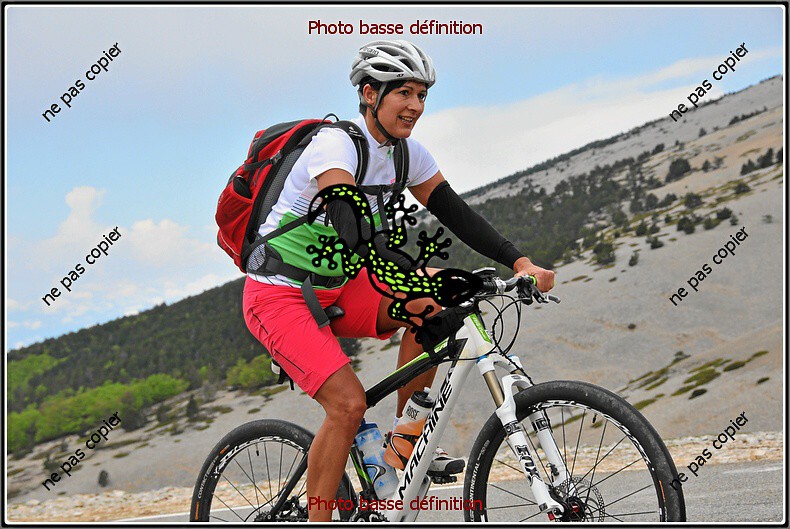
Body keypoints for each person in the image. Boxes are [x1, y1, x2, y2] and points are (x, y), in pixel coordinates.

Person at [242, 39, 555, 522]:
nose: (415, 105)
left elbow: (457, 214)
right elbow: (351, 227)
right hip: (279, 295)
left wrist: (519, 263)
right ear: (370, 94)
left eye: (422, 95)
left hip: (341, 285)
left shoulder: (408, 155)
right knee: (347, 406)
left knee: (436, 305)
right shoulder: (334, 145)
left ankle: (402, 446)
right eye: (403, 93)